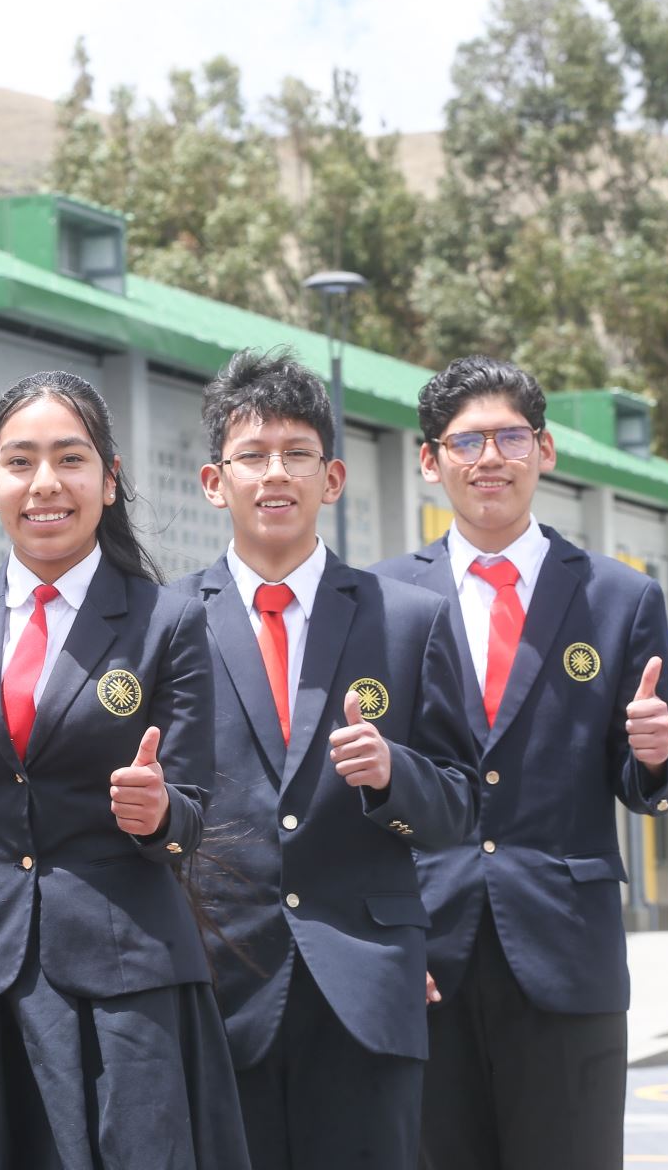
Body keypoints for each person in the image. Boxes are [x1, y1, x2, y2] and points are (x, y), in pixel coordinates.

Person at [0, 370, 250, 1170]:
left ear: (109, 479)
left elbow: (193, 814)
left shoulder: (170, 619)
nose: (45, 484)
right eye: (20, 462)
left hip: (129, 980)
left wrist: (159, 811)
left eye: (70, 459)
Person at [371, 356, 668, 1170]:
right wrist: (393, 945)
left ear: (545, 451)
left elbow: (644, 779)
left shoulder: (621, 599)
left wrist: (654, 758)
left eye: (510, 437)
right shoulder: (379, 602)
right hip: (429, 957)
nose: (489, 459)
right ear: (429, 460)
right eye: (466, 440)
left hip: (565, 952)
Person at [172, 348, 479, 1169]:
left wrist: (391, 775)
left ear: (332, 478)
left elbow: (461, 809)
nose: (276, 475)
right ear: (215, 481)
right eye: (253, 455)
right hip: (216, 987)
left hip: (365, 989)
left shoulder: (410, 620)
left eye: (297, 454)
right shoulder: (163, 624)